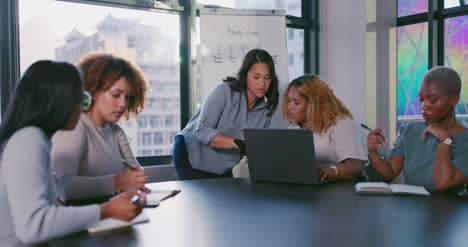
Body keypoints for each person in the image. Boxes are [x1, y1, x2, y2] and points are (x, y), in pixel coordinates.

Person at [0, 60, 146, 247]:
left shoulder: (35, 139)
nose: (82, 108)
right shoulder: (29, 139)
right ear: (59, 101)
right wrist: (107, 210)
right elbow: (33, 226)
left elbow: (60, 185)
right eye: (81, 100)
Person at [51, 53, 150, 201]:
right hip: (82, 219)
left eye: (127, 97)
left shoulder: (116, 131)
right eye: (116, 95)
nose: (123, 104)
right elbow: (60, 186)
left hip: (111, 215)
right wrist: (118, 182)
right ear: (93, 91)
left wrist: (136, 180)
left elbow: (135, 173)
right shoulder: (75, 127)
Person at [173, 49, 279, 180]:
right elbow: (202, 132)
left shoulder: (265, 111)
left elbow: (256, 147)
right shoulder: (224, 91)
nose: (262, 83)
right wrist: (242, 144)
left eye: (267, 78)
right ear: (245, 75)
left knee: (229, 199)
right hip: (191, 154)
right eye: (256, 77)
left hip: (222, 165)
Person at [367, 66, 468, 192]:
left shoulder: (465, 139)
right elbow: (390, 173)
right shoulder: (409, 131)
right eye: (421, 99)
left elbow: (442, 183)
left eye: (432, 100)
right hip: (411, 208)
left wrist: (445, 140)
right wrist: (373, 152)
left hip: (449, 209)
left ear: (454, 99)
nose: (423, 106)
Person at [283, 75, 367, 181]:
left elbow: (355, 166)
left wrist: (333, 171)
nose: (289, 107)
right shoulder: (293, 128)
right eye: (288, 101)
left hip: (344, 187)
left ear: (315, 104)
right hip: (313, 187)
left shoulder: (340, 123)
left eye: (296, 102)